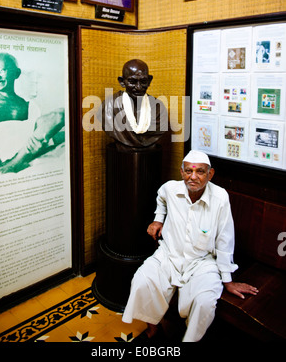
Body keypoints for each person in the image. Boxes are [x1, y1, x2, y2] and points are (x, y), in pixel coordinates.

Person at [122, 150, 259, 342]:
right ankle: (154, 327)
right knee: (141, 281)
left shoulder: (220, 197)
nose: (193, 177)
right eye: (188, 171)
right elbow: (161, 199)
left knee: (204, 302)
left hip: (202, 262)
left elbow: (225, 240)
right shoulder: (170, 189)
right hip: (169, 255)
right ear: (181, 172)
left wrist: (227, 279)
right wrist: (158, 219)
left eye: (200, 172)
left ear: (210, 174)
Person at [0, 52, 65, 174]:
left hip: (28, 144)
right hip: (0, 150)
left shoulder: (28, 105)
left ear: (16, 73)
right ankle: (14, 164)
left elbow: (36, 131)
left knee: (61, 116)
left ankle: (18, 160)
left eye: (1, 71)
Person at [99, 59, 168, 150]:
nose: (138, 87)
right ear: (122, 82)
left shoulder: (158, 108)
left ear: (149, 80)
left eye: (143, 81)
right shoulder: (109, 106)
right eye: (132, 81)